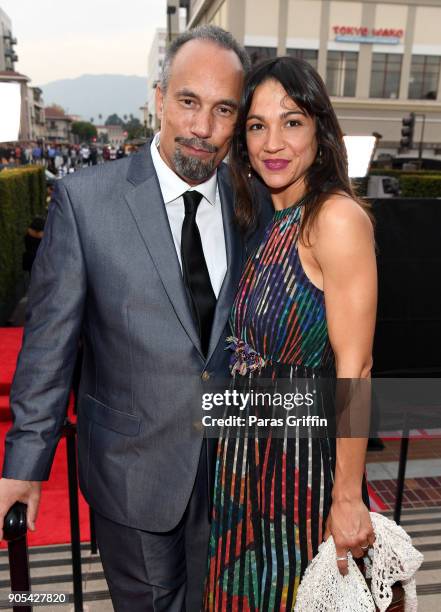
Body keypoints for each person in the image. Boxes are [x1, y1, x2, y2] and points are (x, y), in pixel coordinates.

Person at [0, 26, 271, 612]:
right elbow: (50, 347)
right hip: (131, 474)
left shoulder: (254, 202)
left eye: (223, 109)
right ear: (158, 99)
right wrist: (25, 466)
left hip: (231, 477)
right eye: (188, 102)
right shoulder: (85, 203)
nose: (202, 127)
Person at [204, 56, 377, 610]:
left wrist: (347, 495)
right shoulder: (260, 219)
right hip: (244, 465)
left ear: (321, 134)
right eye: (257, 125)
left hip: (300, 471)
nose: (272, 141)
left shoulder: (334, 219)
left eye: (292, 121)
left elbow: (357, 367)